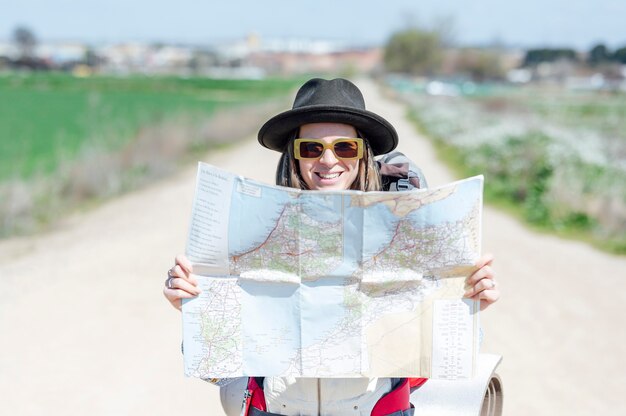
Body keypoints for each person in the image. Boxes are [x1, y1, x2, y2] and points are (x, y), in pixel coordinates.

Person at [163, 78, 500, 415]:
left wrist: (465, 305)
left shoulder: (402, 233)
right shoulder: (256, 235)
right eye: (310, 148)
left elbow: (440, 363)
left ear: (363, 153)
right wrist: (195, 307)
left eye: (344, 147)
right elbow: (218, 372)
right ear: (294, 156)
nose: (327, 160)